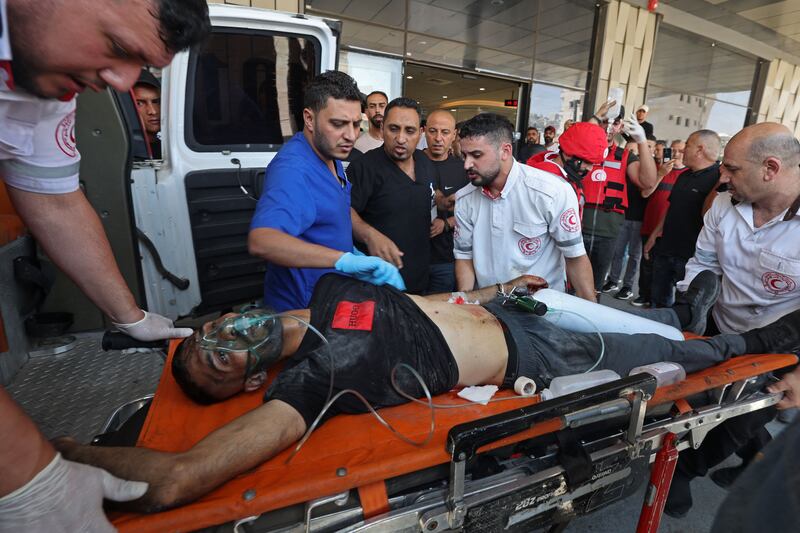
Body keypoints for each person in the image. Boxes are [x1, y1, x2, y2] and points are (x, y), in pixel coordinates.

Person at [51, 272, 800, 513]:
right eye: (213, 366)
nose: (216, 342)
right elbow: (185, 475)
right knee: (686, 356)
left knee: (649, 325)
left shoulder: (328, 293)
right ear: (248, 382)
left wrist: (491, 285)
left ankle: (695, 321)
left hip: (505, 305)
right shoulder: (313, 380)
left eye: (209, 336)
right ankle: (765, 339)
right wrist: (60, 461)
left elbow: (417, 299)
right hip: (530, 350)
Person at [0, 0, 210, 530]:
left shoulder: (45, 83)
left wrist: (130, 316)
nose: (121, 82)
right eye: (118, 48)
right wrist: (29, 478)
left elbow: (54, 199)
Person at [248, 72, 403, 312]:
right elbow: (262, 240)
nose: (351, 136)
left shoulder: (331, 154)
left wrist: (367, 234)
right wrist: (343, 260)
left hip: (333, 297)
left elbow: (335, 206)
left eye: (355, 124)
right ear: (309, 119)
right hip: (302, 309)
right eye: (338, 124)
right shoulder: (293, 169)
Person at [453, 113, 595, 301]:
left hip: (542, 310)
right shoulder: (465, 199)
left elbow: (575, 258)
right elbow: (464, 257)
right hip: (487, 309)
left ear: (505, 151)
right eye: (464, 155)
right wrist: (467, 303)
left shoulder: (551, 192)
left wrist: (591, 316)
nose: (467, 164)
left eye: (476, 155)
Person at [348, 97, 437, 294]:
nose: (401, 138)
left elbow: (425, 197)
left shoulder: (425, 162)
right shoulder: (364, 167)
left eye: (410, 131)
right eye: (394, 129)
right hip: (377, 284)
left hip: (419, 280)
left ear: (420, 132)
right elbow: (344, 209)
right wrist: (369, 234)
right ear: (383, 128)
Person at [582, 103, 657, 292]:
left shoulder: (625, 156)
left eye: (614, 122)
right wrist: (595, 120)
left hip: (607, 232)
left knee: (594, 288)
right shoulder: (581, 151)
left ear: (620, 126)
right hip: (575, 228)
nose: (608, 127)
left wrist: (641, 140)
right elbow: (576, 140)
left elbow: (647, 182)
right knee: (568, 284)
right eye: (604, 121)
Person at [643, 130, 721, 307]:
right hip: (666, 248)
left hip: (691, 257)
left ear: (700, 150)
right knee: (658, 301)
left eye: (688, 145)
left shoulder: (718, 179)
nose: (683, 151)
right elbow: (671, 207)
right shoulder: (684, 175)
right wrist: (654, 236)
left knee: (683, 307)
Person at [633, 139, 686, 307]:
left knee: (664, 270)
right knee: (647, 263)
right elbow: (645, 193)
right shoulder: (659, 169)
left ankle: (659, 302)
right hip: (650, 223)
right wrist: (661, 174)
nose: (676, 154)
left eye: (681, 151)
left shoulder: (687, 175)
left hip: (669, 230)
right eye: (673, 150)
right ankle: (644, 295)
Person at [602, 136, 654, 300]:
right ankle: (613, 280)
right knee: (617, 252)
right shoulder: (621, 170)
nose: (630, 153)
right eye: (628, 150)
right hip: (623, 216)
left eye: (633, 151)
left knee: (634, 255)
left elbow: (647, 190)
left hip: (639, 219)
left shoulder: (645, 173)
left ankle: (628, 286)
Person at [423, 109, 470, 293]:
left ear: (454, 135)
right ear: (424, 131)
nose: (438, 138)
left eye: (445, 132)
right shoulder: (411, 163)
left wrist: (447, 223)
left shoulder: (465, 170)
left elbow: (474, 212)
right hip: (409, 257)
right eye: (433, 131)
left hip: (446, 260)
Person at [525, 121, 609, 219]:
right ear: (569, 153)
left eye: (593, 163)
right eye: (587, 162)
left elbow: (581, 136)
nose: (590, 168)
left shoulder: (567, 175)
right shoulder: (549, 182)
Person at [133, 69, 162, 158]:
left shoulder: (171, 150)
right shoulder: (126, 151)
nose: (152, 111)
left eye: (155, 101)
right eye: (140, 103)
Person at [353, 90, 387, 154]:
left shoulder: (395, 142)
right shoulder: (358, 145)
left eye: (382, 106)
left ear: (388, 109)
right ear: (366, 111)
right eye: (372, 106)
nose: (377, 110)